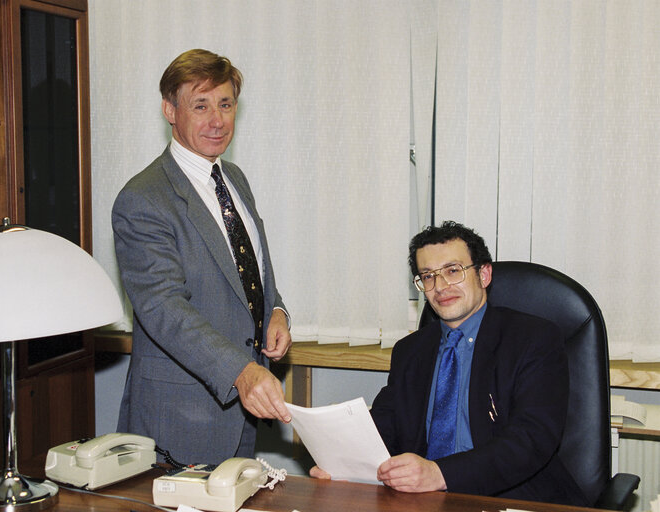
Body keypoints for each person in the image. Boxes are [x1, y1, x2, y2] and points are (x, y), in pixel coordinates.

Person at [311, 221, 588, 506]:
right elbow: (387, 422)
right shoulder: (411, 350)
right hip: (422, 501)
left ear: (484, 274)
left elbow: (530, 440)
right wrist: (345, 462)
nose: (440, 287)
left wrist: (440, 473)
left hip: (510, 498)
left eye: (453, 271)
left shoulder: (533, 339)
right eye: (428, 276)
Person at [112, 49, 292, 465]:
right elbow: (163, 308)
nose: (217, 120)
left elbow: (251, 269)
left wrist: (276, 310)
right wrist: (241, 372)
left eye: (226, 104)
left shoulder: (235, 180)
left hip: (243, 416)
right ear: (169, 110)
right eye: (201, 105)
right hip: (180, 418)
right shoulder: (143, 199)